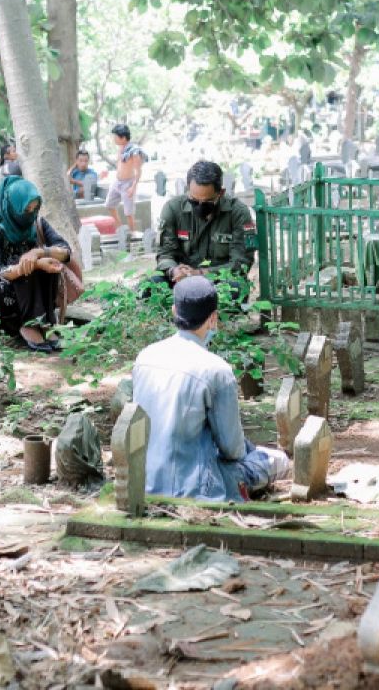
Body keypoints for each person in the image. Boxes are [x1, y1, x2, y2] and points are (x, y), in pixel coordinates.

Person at [133, 276, 290, 502]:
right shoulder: (216, 370)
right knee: (277, 460)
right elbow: (232, 450)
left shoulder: (145, 357)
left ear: (174, 310)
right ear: (213, 319)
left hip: (144, 482)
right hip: (197, 489)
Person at [0, 177, 72, 353]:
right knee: (26, 267)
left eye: (35, 207)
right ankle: (27, 324)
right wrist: (32, 264)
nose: (31, 213)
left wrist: (39, 253)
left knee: (49, 263)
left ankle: (44, 322)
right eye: (26, 209)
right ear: (12, 207)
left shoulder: (37, 223)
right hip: (2, 295)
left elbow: (66, 251)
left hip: (33, 290)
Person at [152, 160, 256, 289]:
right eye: (194, 201)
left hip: (219, 281)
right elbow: (165, 254)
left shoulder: (238, 213)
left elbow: (241, 263)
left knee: (235, 286)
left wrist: (200, 274)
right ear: (188, 189)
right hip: (181, 280)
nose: (200, 206)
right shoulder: (173, 209)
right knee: (151, 285)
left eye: (207, 201)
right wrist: (174, 270)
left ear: (221, 193)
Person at [105, 124, 143, 231]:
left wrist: (133, 187)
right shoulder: (120, 148)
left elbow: (138, 171)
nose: (114, 139)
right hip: (117, 181)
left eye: (115, 136)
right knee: (109, 205)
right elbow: (119, 164)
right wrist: (107, 172)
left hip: (128, 183)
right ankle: (121, 228)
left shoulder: (134, 151)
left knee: (129, 213)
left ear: (122, 137)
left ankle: (132, 235)